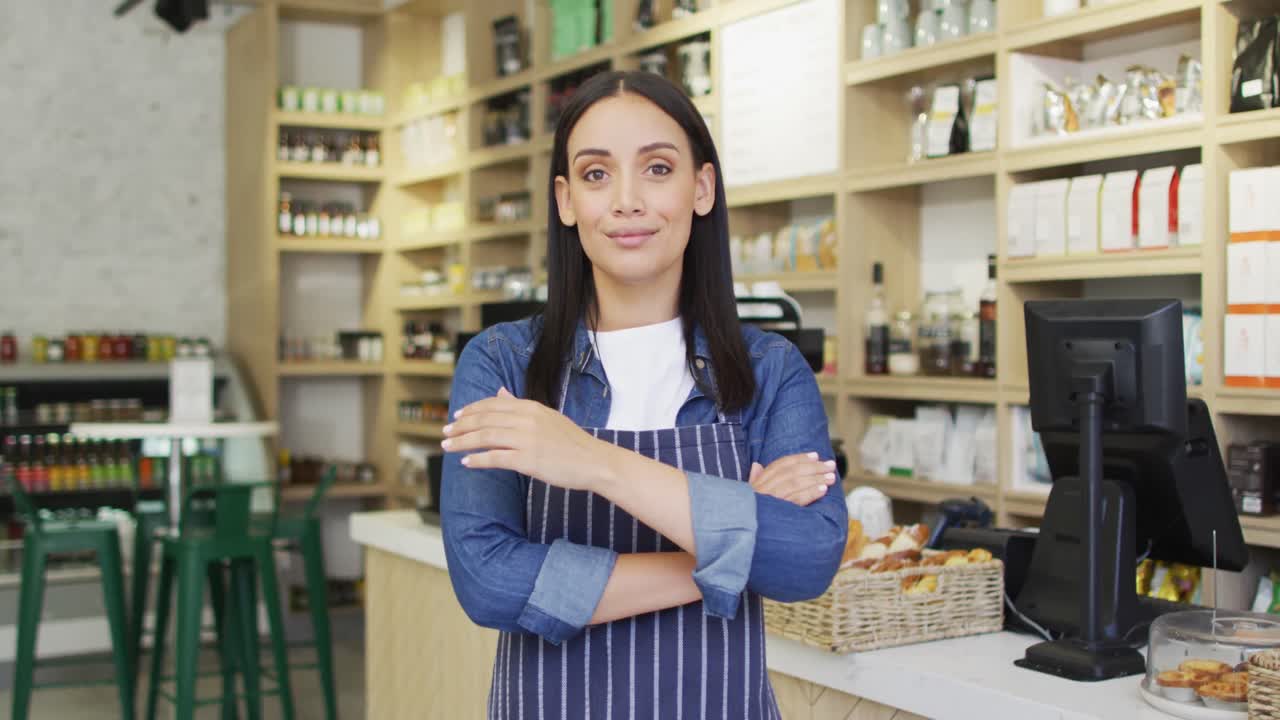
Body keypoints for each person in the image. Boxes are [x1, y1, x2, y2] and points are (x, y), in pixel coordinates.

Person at [440, 70, 847, 720]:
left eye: (657, 168)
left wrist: (595, 462)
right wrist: (725, 550)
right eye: (597, 175)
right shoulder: (503, 363)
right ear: (566, 200)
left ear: (702, 188)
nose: (627, 201)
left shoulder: (769, 371)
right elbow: (489, 582)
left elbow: (804, 561)